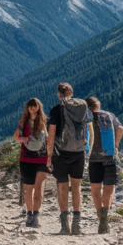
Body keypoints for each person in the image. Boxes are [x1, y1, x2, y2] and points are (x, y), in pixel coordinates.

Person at [47, 82, 93, 235]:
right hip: (79, 152)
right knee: (77, 188)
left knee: (62, 187)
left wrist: (48, 156)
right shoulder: (82, 108)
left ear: (59, 94)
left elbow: (51, 135)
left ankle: (64, 226)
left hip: (61, 153)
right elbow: (88, 128)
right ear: (71, 94)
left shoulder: (55, 110)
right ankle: (77, 225)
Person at [86, 97, 123, 234]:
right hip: (109, 156)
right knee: (109, 187)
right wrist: (115, 145)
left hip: (93, 158)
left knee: (95, 188)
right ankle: (106, 215)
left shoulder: (86, 117)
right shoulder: (109, 115)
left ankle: (100, 215)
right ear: (98, 105)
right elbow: (121, 128)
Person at [13, 98, 49, 228]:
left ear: (39, 107)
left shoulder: (43, 121)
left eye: (35, 106)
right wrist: (23, 139)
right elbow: (16, 137)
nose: (33, 108)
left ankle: (35, 215)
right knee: (29, 189)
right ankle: (30, 215)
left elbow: (47, 139)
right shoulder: (23, 122)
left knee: (38, 189)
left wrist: (50, 156)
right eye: (30, 106)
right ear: (27, 107)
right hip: (28, 159)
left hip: (40, 159)